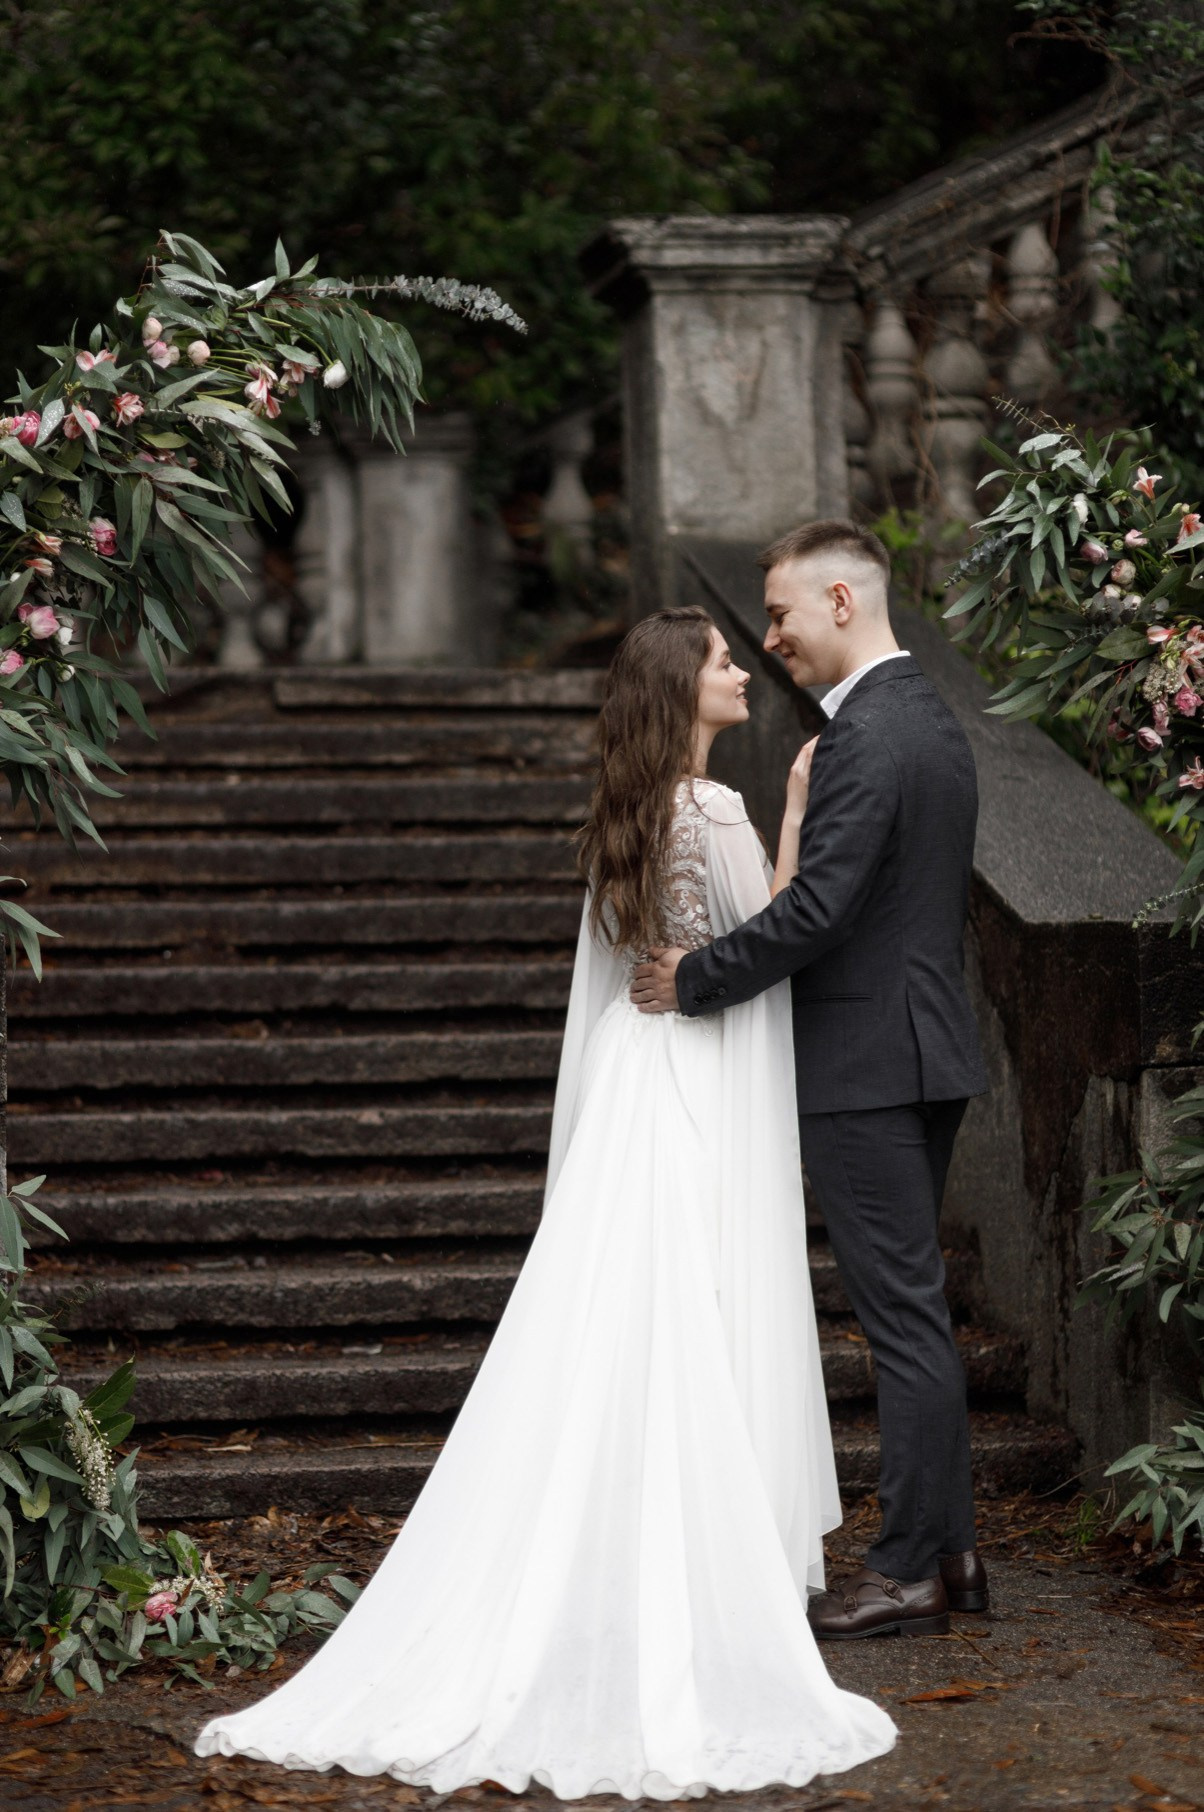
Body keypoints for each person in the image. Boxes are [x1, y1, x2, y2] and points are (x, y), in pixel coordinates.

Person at [194, 604, 896, 1797]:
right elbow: (772, 934)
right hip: (696, 1078)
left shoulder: (634, 807)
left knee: (622, 1320)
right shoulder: (710, 808)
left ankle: (624, 1558)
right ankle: (693, 1572)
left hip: (636, 1073)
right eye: (722, 662)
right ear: (680, 690)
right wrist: (790, 816)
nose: (741, 672)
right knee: (695, 1310)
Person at [631, 522, 991, 1642]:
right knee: (916, 1311)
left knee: (902, 1321)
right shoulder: (928, 718)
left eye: (781, 615)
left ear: (841, 599)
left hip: (864, 1063)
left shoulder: (863, 735)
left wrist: (694, 978)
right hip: (919, 1049)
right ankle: (954, 1553)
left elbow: (818, 911)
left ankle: (906, 1572)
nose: (771, 637)